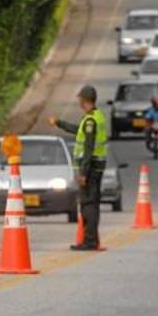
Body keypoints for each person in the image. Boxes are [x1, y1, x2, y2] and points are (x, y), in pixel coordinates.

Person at [48, 85, 108, 251]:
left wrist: (83, 173)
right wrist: (59, 123)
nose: (79, 102)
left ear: (85, 100)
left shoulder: (90, 121)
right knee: (92, 204)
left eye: (81, 99)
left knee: (88, 204)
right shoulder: (96, 117)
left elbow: (88, 148)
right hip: (97, 166)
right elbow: (77, 130)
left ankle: (89, 241)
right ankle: (92, 239)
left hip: (90, 168)